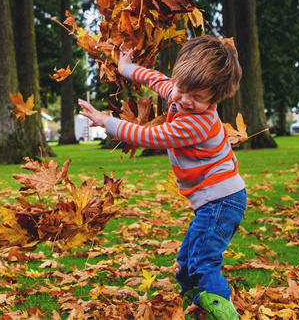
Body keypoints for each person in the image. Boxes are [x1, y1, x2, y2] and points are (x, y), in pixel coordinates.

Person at [78, 36, 246, 320]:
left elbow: (149, 136)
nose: (184, 100)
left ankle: (224, 315)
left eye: (197, 98)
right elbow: (156, 79)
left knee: (203, 263)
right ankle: (197, 310)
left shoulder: (196, 123)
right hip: (213, 202)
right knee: (186, 264)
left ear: (213, 99)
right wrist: (126, 67)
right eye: (181, 89)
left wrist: (107, 122)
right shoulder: (180, 93)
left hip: (222, 201)